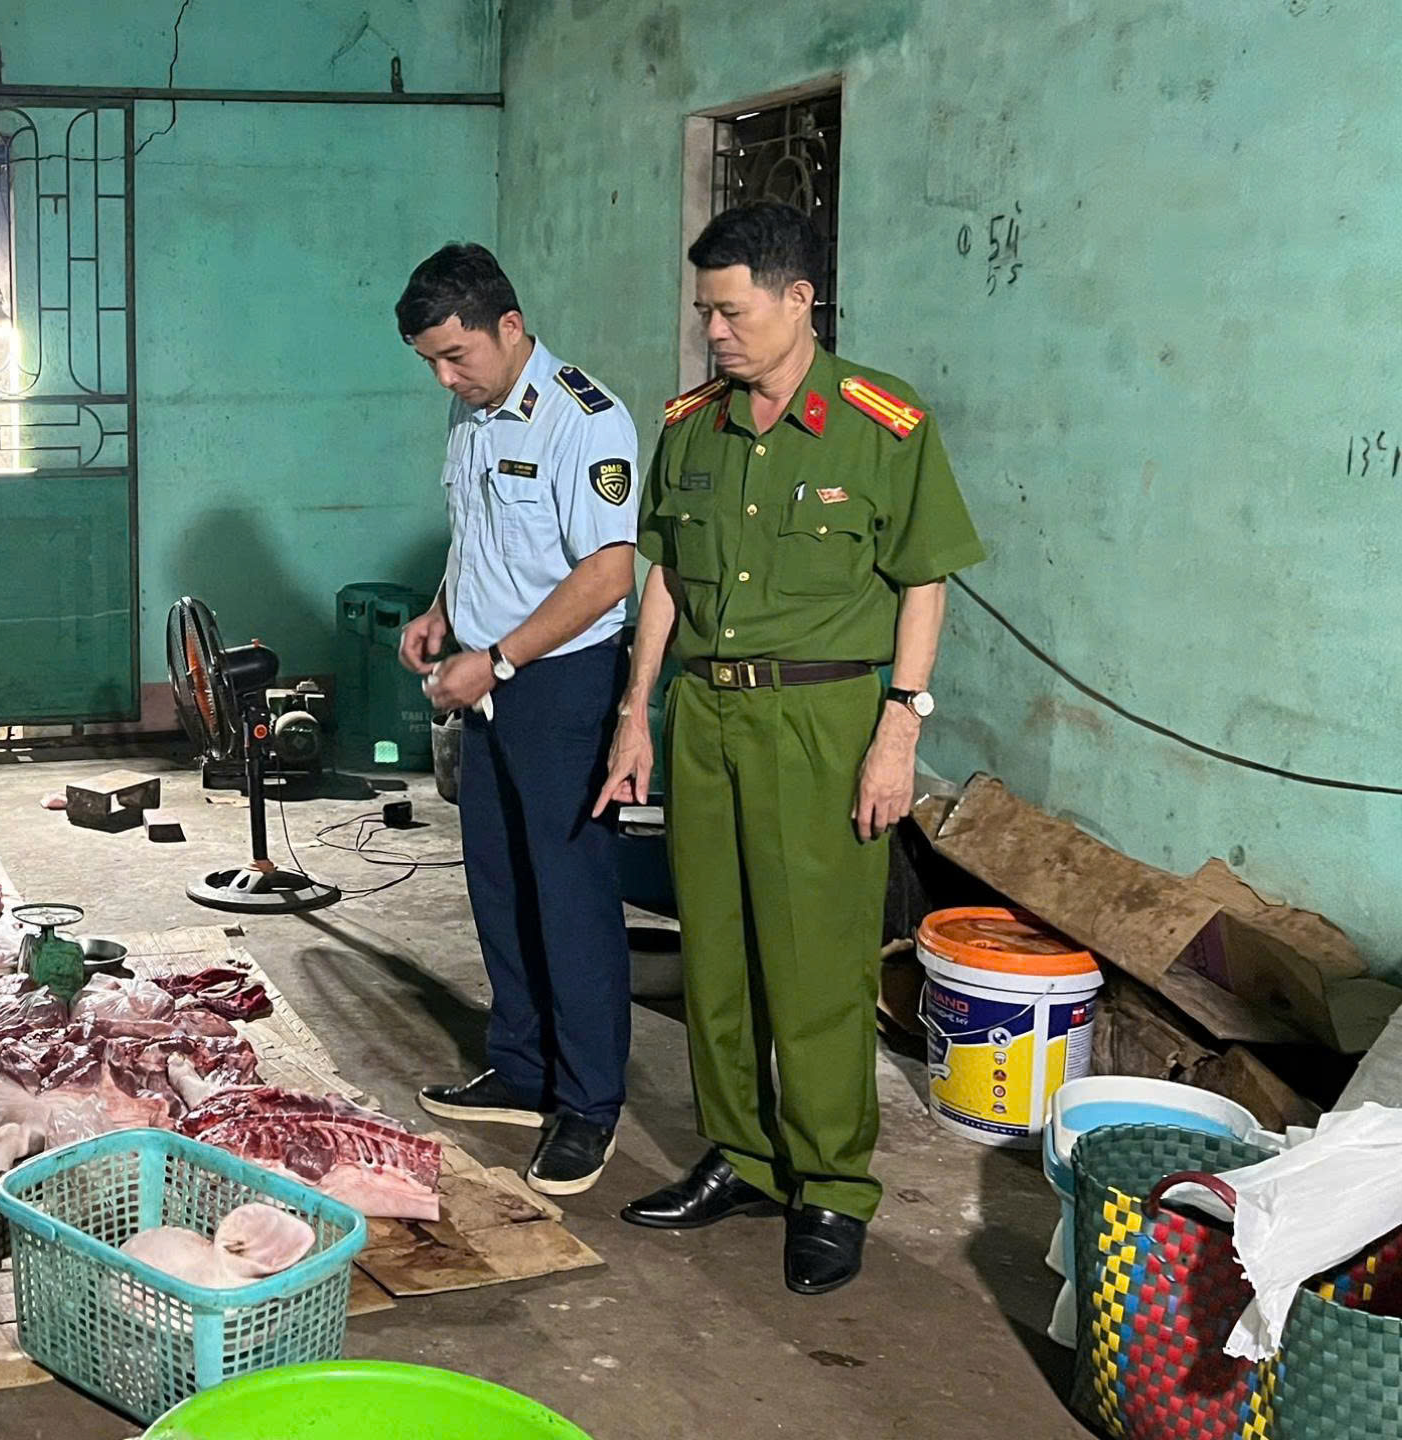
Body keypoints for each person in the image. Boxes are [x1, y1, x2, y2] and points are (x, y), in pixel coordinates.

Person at [594, 202, 986, 1293]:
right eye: (704, 312)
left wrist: (899, 727)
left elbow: (924, 581)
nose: (713, 331)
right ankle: (744, 1156)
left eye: (731, 310)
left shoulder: (881, 423)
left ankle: (830, 1186)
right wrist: (635, 713)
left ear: (798, 298)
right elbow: (664, 576)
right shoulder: (692, 426)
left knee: (815, 964)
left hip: (824, 719)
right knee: (716, 957)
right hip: (706, 719)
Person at [393, 243, 641, 1197]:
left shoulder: (587, 419)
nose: (445, 379)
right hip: (485, 673)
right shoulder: (472, 408)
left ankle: (588, 1104)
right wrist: (441, 610)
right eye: (431, 364)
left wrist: (495, 659)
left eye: (455, 356)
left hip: (560, 683)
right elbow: (480, 533)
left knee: (570, 896)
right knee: (498, 883)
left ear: (510, 326)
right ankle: (524, 1066)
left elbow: (607, 575)